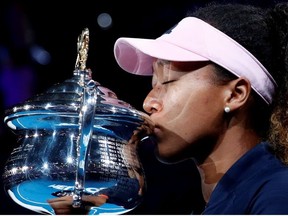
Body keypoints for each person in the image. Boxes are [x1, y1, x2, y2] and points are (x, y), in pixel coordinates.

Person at [48, 1, 288, 214]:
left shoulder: (277, 194)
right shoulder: (226, 199)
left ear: (235, 94)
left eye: (169, 82)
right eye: (154, 85)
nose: (148, 103)